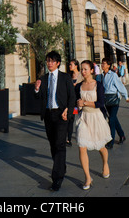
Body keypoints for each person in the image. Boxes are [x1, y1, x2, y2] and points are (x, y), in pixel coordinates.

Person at [35, 50, 76, 191]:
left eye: (52, 61)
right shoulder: (44, 78)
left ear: (58, 63)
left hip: (61, 115)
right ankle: (61, 167)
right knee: (53, 144)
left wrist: (68, 111)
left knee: (60, 144)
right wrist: (36, 89)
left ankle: (57, 178)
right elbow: (38, 98)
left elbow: (72, 97)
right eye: (48, 61)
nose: (49, 63)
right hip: (48, 115)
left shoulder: (65, 78)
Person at [75, 60, 112, 189]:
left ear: (91, 70)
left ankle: (105, 164)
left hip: (96, 117)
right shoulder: (78, 86)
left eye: (85, 69)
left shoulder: (98, 85)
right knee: (81, 146)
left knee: (100, 146)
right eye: (81, 69)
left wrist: (84, 103)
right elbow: (75, 103)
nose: (83, 71)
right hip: (83, 118)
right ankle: (87, 177)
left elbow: (101, 103)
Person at [99, 58, 129, 149]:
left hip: (114, 100)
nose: (102, 65)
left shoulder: (113, 75)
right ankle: (122, 135)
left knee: (111, 120)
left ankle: (111, 142)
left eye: (104, 63)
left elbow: (119, 86)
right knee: (114, 119)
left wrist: (126, 96)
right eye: (102, 63)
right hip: (106, 100)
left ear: (108, 65)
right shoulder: (101, 75)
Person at [66, 60, 84, 146]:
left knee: (81, 118)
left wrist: (77, 86)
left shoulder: (81, 75)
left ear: (76, 65)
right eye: (69, 64)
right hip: (71, 102)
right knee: (71, 118)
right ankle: (68, 139)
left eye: (71, 64)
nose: (69, 66)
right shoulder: (68, 76)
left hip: (79, 101)